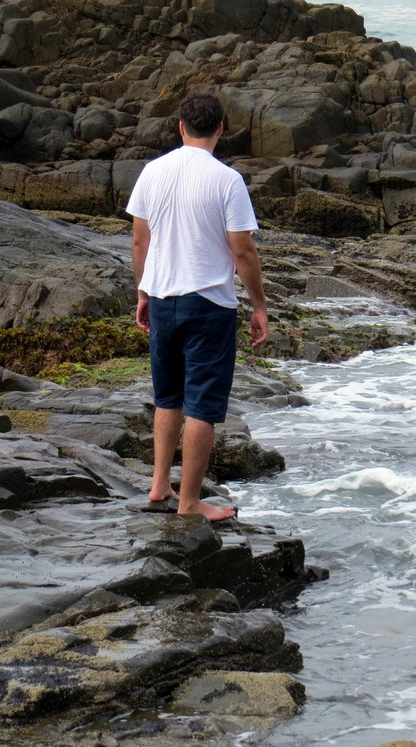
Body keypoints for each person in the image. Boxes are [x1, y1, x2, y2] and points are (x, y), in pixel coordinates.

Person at [126, 91, 268, 522]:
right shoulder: (226, 180)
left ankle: (158, 486)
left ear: (181, 128)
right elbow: (242, 252)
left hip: (163, 298)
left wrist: (143, 291)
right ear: (221, 130)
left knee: (168, 397)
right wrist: (259, 306)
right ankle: (189, 502)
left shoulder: (153, 171)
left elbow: (138, 240)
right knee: (202, 405)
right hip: (208, 305)